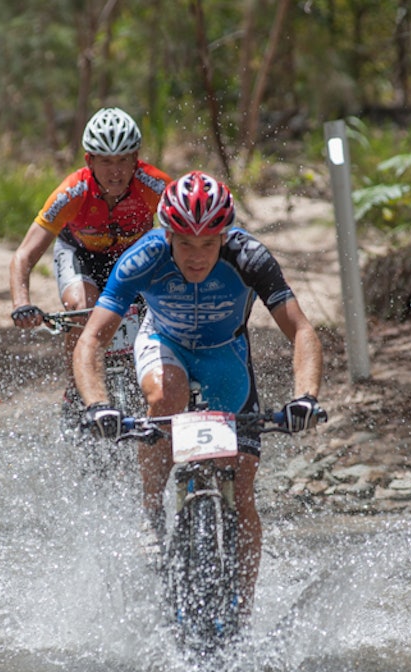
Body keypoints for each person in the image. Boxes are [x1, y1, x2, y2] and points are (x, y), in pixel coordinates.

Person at [72, 170, 325, 617]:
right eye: (185, 243)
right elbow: (91, 340)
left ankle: (241, 612)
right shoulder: (143, 256)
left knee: (242, 484)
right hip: (163, 342)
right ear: (166, 234)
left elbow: (301, 329)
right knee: (165, 398)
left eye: (208, 244)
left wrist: (305, 396)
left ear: (224, 235)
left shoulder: (249, 255)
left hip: (225, 352)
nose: (196, 256)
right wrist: (98, 405)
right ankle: (152, 514)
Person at [8, 107, 171, 428]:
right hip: (80, 254)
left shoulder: (155, 186)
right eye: (106, 161)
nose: (116, 171)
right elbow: (23, 255)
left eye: (124, 160)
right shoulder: (73, 191)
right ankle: (77, 390)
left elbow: (192, 231)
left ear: (136, 158)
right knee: (81, 308)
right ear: (89, 161)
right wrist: (21, 303)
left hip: (134, 256)